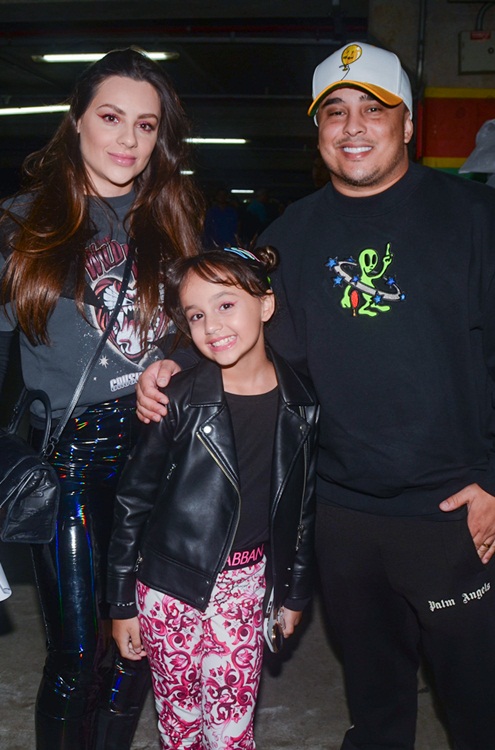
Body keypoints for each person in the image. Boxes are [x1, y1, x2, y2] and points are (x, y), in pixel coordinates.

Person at [135, 41, 495, 750]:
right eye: (334, 111)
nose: (353, 126)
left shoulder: (474, 218)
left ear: (408, 123)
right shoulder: (290, 236)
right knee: (374, 702)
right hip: (337, 514)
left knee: (477, 706)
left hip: (451, 511)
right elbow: (232, 318)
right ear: (318, 129)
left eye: (373, 109)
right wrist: (168, 361)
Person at [0, 48, 203, 750]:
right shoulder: (22, 224)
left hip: (161, 455)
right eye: (111, 118)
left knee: (137, 647)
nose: (128, 140)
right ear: (77, 121)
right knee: (79, 653)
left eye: (146, 126)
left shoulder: (171, 218)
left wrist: (176, 360)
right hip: (72, 463)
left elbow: (204, 332)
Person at [107, 246, 318, 750]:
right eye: (196, 315)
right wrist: (121, 602)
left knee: (231, 729)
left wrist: (294, 593)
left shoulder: (301, 404)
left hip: (246, 590)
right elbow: (132, 502)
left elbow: (302, 509)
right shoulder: (178, 399)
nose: (211, 325)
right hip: (167, 588)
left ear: (265, 304)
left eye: (226, 305)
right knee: (178, 725)